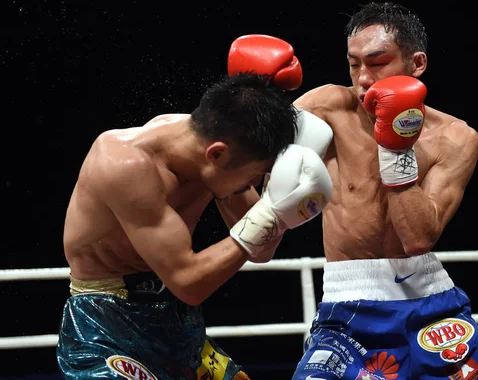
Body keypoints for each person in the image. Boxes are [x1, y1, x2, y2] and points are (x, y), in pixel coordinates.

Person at [279, 2, 478, 379]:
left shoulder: (456, 138)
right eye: (354, 64)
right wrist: (255, 93)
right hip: (347, 310)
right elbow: (250, 157)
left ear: (416, 64)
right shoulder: (327, 108)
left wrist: (396, 147)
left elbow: (418, 238)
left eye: (377, 62)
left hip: (433, 305)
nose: (364, 78)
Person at [55, 72, 333, 380]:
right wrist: (269, 214)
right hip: (109, 324)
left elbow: (259, 251)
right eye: (256, 176)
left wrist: (276, 216)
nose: (257, 185)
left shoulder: (220, 150)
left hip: (179, 322)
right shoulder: (126, 167)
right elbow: (189, 283)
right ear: (216, 154)